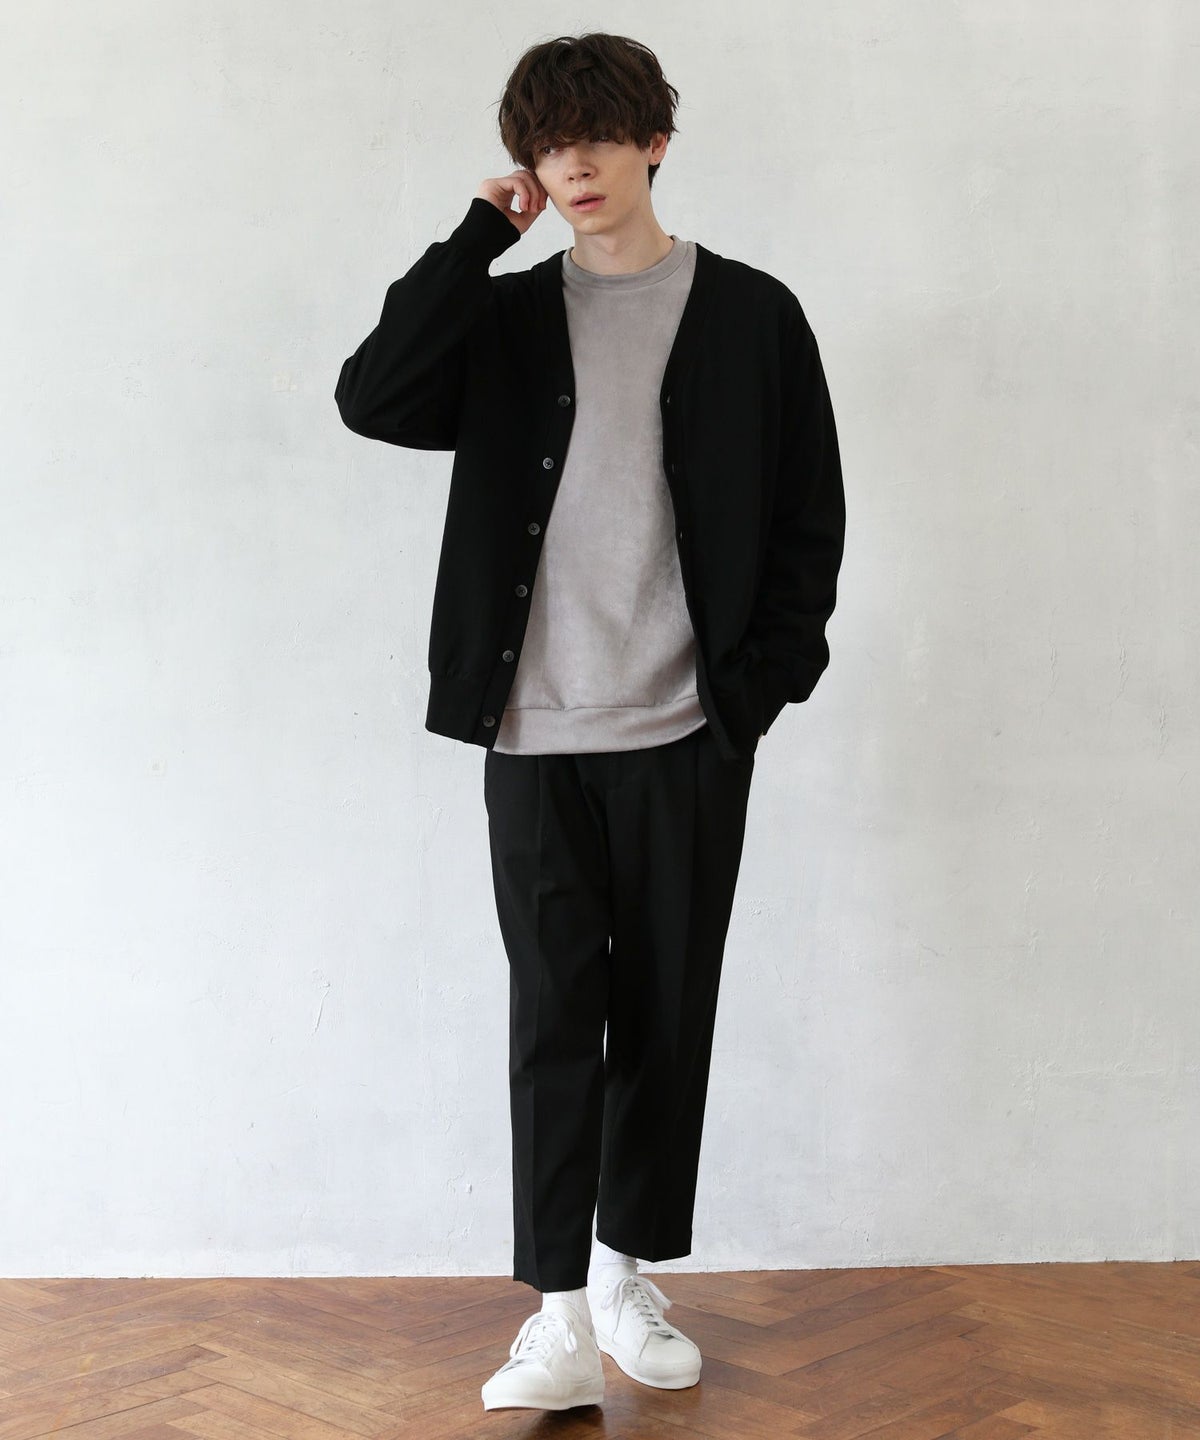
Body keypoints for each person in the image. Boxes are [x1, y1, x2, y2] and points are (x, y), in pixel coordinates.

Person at [334, 30, 845, 1415]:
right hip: (534, 731)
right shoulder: (503, 322)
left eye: (599, 137)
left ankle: (625, 1276)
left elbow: (810, 519)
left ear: (654, 143)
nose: (573, 165)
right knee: (555, 1016)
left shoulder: (753, 317)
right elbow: (371, 396)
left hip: (685, 730)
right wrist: (473, 240)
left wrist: (757, 691)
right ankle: (555, 1312)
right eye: (549, 144)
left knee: (665, 1015)